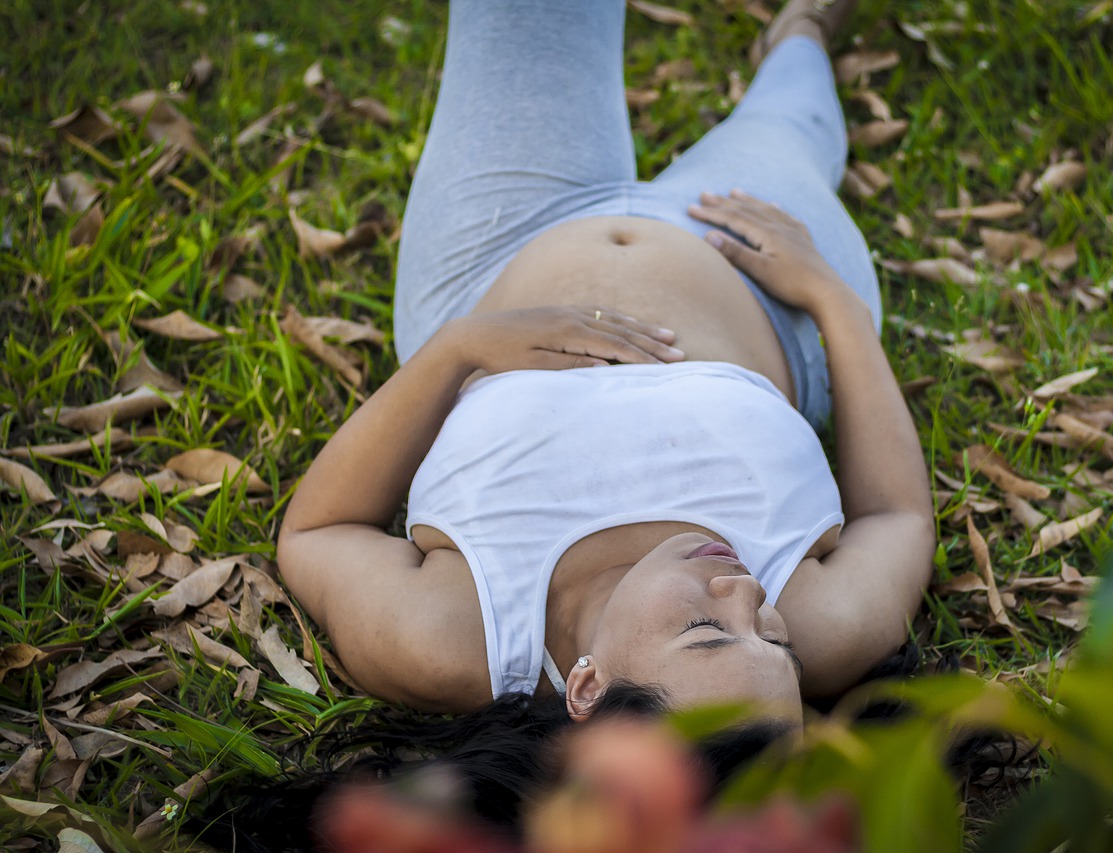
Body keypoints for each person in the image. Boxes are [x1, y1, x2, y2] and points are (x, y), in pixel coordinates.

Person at [277, 0, 935, 730]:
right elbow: (897, 515)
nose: (750, 595)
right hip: (763, 274)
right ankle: (801, 32)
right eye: (778, 642)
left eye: (707, 629)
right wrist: (829, 297)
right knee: (793, 123)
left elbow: (318, 533)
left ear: (587, 685)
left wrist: (460, 347)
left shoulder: (448, 637)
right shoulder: (829, 629)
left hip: (498, 257)